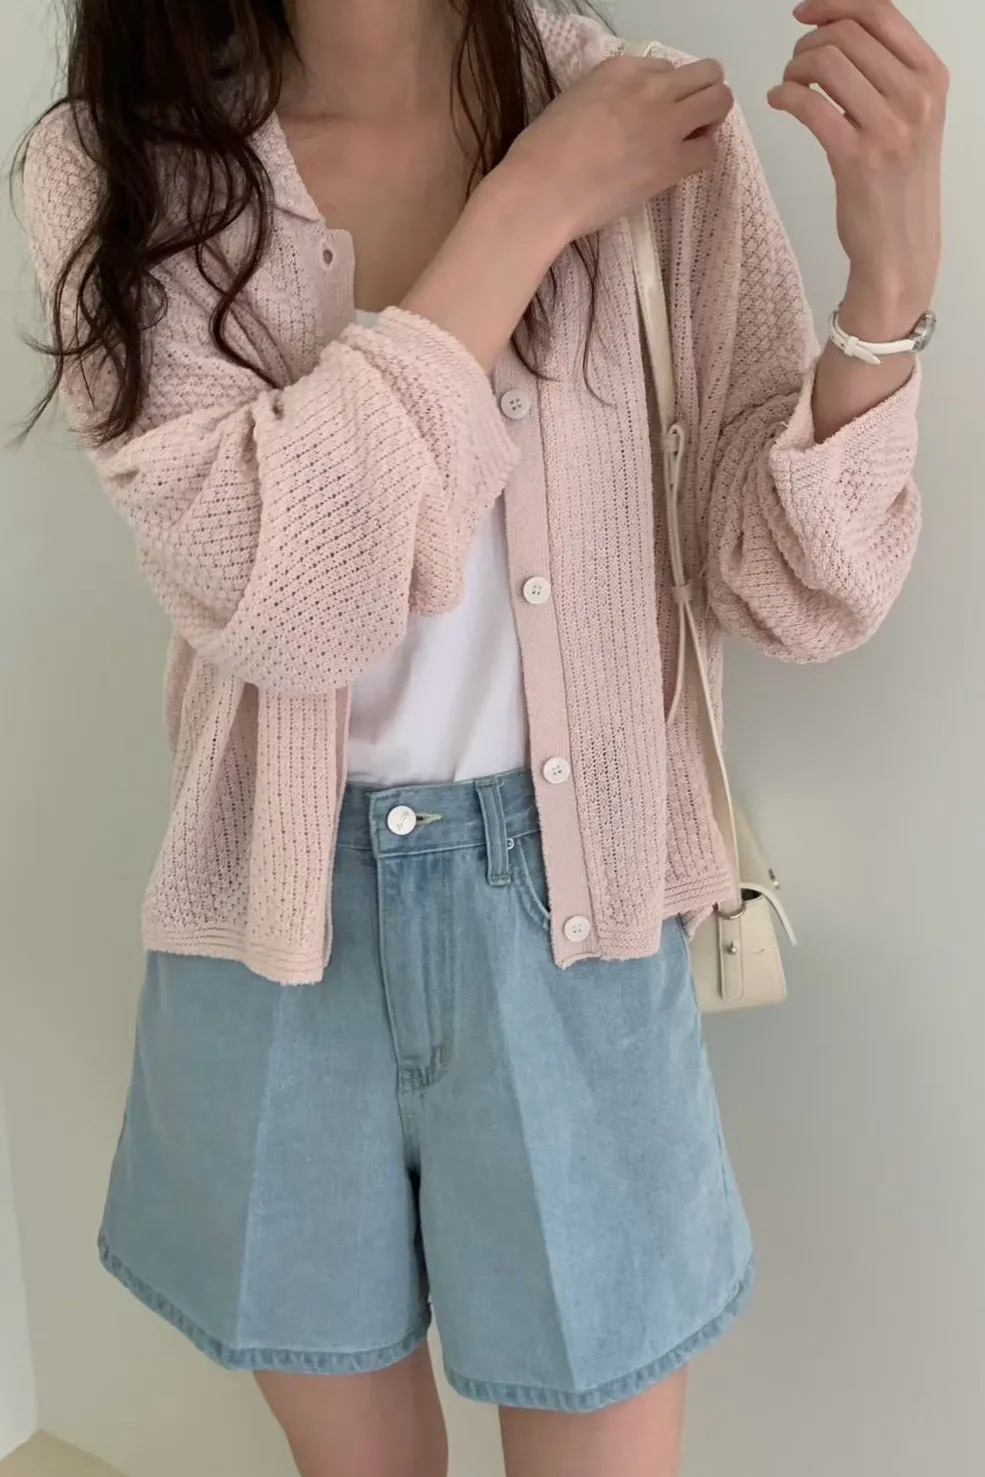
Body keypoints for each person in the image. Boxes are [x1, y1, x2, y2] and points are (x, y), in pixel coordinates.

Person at [19, 0, 946, 1472]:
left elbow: (790, 589)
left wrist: (887, 289)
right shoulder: (124, 164)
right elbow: (285, 598)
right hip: (276, 931)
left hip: (576, 922)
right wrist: (532, 203)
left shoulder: (654, 122)